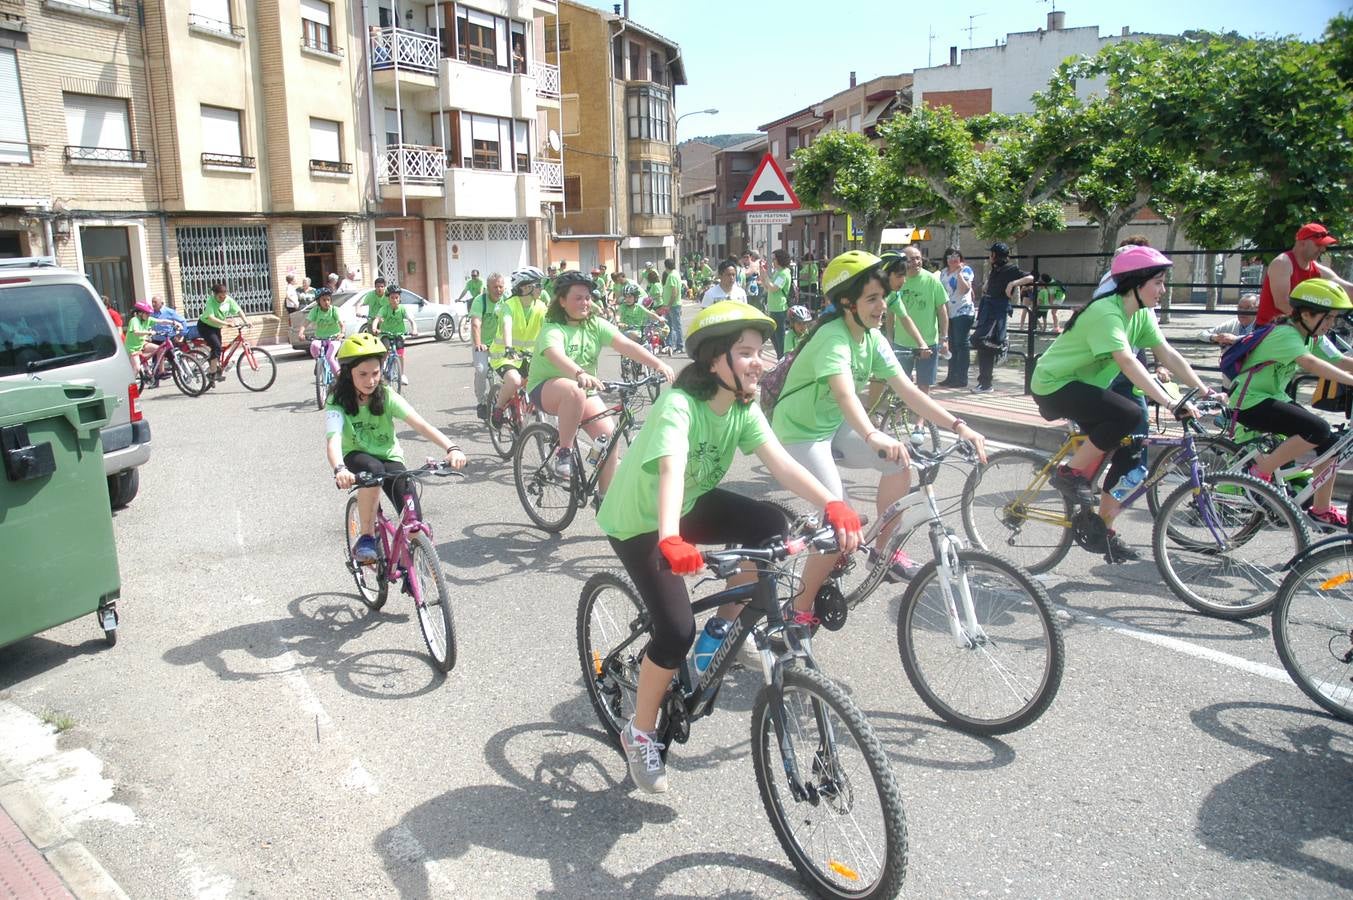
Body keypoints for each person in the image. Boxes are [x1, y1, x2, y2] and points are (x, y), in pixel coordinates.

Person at [595, 301, 864, 793]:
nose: (759, 362)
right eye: (745, 352)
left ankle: (723, 628)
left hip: (686, 504)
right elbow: (672, 469)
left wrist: (833, 503)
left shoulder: (741, 406)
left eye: (761, 351)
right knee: (675, 631)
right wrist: (670, 538)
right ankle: (640, 731)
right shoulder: (680, 406)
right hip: (641, 520)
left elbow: (781, 464)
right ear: (715, 359)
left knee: (771, 524)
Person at [772, 250, 988, 601]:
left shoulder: (872, 338)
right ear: (847, 302)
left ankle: (883, 554)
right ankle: (800, 607)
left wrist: (959, 425)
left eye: (883, 297)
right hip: (800, 432)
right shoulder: (833, 338)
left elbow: (908, 390)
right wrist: (872, 434)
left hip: (834, 426)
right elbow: (844, 393)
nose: (882, 306)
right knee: (838, 521)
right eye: (872, 298)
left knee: (899, 462)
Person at [1030, 246, 1220, 559]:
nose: (1163, 290)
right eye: (1158, 283)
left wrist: (1204, 390)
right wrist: (1170, 402)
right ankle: (1068, 473)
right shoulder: (1107, 312)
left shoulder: (1141, 314)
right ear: (1135, 284)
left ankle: (1101, 532)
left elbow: (1167, 353)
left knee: (1130, 448)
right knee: (1129, 414)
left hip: (1086, 387)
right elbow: (1129, 363)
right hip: (1054, 385)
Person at [326, 333, 466, 564]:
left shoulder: (386, 395)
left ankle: (409, 568)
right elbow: (333, 440)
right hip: (356, 455)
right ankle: (367, 537)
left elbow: (420, 424)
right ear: (349, 373)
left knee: (414, 522)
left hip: (389, 456)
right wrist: (340, 468)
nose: (371, 381)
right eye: (363, 374)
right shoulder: (337, 400)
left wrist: (452, 447)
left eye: (375, 373)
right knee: (373, 471)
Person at [526, 271, 674, 484]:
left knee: (609, 439)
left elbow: (626, 345)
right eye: (578, 298)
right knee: (573, 390)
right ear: (562, 301)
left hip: (583, 391)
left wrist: (658, 364)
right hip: (545, 389)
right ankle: (564, 452)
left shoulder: (595, 325)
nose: (585, 302)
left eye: (587, 298)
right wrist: (579, 373)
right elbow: (555, 354)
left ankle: (603, 497)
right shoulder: (553, 328)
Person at [1233, 279, 1353, 527]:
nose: (1331, 324)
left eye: (1334, 318)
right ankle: (1259, 472)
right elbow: (1311, 363)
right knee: (1318, 429)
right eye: (1328, 317)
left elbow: (1340, 360)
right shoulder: (1286, 334)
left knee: (1330, 444)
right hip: (1249, 402)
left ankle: (1321, 510)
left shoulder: (1311, 336)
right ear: (1307, 314)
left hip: (1272, 397)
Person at [883, 247, 949, 433]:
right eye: (911, 259)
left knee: (924, 385)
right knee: (900, 383)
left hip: (927, 343)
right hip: (902, 343)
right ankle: (895, 418)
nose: (916, 262)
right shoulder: (896, 283)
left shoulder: (931, 281)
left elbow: (942, 311)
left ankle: (920, 422)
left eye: (918, 258)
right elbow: (891, 313)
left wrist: (944, 338)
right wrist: (889, 337)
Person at [1257, 223, 1353, 325]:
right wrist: (1311, 323)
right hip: (1272, 329)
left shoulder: (1318, 269)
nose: (1323, 249)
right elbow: (1282, 303)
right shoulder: (1282, 263)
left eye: (1324, 245)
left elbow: (1349, 290)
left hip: (1299, 327)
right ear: (1302, 243)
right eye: (1318, 245)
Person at [971, 242, 1034, 394]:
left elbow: (1031, 277)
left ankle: (1002, 346)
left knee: (978, 339)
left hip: (997, 310)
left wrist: (1013, 283)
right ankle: (985, 383)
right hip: (987, 308)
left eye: (991, 254)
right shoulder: (995, 269)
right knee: (983, 348)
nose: (989, 257)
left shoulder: (1010, 269)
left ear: (995, 255)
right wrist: (987, 284)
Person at [489, 267, 549, 427]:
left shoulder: (541, 306)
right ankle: (498, 408)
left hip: (528, 356)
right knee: (515, 381)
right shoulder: (509, 306)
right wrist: (508, 348)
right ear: (526, 287)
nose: (541, 288)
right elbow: (507, 325)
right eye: (538, 285)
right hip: (504, 356)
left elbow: (549, 328)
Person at [470, 272, 507, 420]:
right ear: (487, 288)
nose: (498, 290)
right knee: (482, 369)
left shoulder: (507, 301)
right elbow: (476, 324)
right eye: (494, 287)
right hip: (482, 343)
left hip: (499, 344)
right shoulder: (480, 301)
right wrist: (479, 344)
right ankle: (481, 402)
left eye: (500, 287)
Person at [937, 248, 975, 388]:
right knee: (951, 345)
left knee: (961, 344)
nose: (953, 259)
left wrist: (959, 274)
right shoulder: (943, 272)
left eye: (956, 256)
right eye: (950, 256)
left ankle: (961, 378)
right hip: (948, 313)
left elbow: (964, 289)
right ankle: (951, 376)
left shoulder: (966, 270)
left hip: (963, 312)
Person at [197, 282, 250, 381]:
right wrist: (226, 323)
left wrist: (246, 321)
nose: (223, 299)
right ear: (215, 295)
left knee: (219, 349)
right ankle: (212, 373)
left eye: (224, 296)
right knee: (216, 346)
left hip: (216, 327)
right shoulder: (210, 301)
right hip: (205, 326)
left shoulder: (228, 300)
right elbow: (211, 317)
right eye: (220, 297)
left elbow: (238, 310)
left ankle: (216, 366)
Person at [371, 286, 416, 385]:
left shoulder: (403, 309)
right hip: (386, 334)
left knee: (400, 354)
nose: (394, 300)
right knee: (385, 349)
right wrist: (374, 328)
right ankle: (381, 371)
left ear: (399, 298)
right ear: (388, 298)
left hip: (399, 334)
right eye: (392, 298)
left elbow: (411, 320)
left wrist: (414, 330)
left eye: (396, 297)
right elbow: (377, 319)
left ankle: (402, 374)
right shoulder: (384, 309)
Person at [299, 287, 344, 376]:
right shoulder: (315, 310)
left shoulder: (334, 310)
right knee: (314, 345)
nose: (326, 302)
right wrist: (301, 333)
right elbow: (305, 323)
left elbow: (342, 325)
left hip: (333, 338)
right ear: (318, 301)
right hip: (320, 338)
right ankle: (318, 362)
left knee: (329, 357)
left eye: (328, 300)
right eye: (323, 300)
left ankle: (339, 377)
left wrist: (342, 333)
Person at [764, 249, 794, 357]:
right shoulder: (778, 272)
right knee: (773, 336)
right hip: (773, 308)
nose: (772, 261)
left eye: (774, 259)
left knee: (779, 337)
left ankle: (782, 359)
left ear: (780, 259)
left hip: (779, 308)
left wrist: (766, 278)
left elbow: (774, 288)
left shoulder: (783, 274)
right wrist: (764, 277)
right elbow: (768, 287)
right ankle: (780, 358)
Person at [124, 300, 159, 374]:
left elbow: (161, 321)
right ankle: (131, 381)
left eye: (149, 314)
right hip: (132, 348)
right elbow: (136, 333)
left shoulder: (147, 319)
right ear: (140, 313)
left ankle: (159, 370)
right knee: (137, 368)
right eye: (147, 313)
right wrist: (149, 332)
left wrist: (174, 322)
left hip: (141, 344)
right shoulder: (134, 320)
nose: (148, 315)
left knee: (159, 349)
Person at [661, 258, 685, 354]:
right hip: (672, 305)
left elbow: (674, 292)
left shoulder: (671, 276)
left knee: (676, 326)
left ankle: (679, 346)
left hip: (672, 305)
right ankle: (669, 345)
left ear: (666, 266)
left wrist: (669, 305)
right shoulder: (676, 273)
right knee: (669, 326)